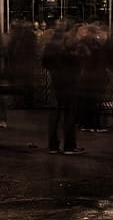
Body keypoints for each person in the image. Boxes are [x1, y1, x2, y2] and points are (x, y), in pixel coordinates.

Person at [41, 20, 83, 154]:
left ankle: (53, 145)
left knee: (54, 113)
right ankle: (69, 146)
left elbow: (44, 62)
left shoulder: (51, 45)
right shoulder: (70, 45)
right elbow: (78, 62)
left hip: (55, 81)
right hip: (69, 82)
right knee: (70, 113)